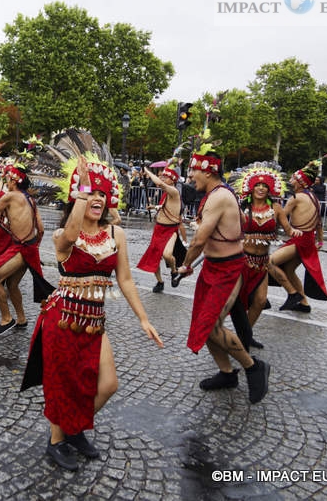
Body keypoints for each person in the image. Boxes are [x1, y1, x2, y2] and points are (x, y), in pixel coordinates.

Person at [21, 154, 163, 471]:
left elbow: (124, 279)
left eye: (101, 193)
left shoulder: (116, 235)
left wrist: (143, 318)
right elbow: (70, 236)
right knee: (64, 384)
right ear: (78, 197)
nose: (97, 198)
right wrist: (82, 192)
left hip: (95, 322)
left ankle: (73, 427)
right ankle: (57, 439)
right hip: (62, 318)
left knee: (108, 384)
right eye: (90, 193)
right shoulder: (62, 237)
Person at [175, 142, 270, 405]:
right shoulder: (218, 194)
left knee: (213, 328)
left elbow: (198, 240)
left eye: (194, 171)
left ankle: (253, 367)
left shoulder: (218, 197)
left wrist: (185, 266)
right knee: (204, 326)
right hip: (213, 268)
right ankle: (227, 373)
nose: (190, 177)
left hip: (228, 270)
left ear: (209, 172)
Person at [0, 159, 54, 336]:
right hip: (30, 248)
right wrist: (34, 245)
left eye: (9, 179)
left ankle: (6, 319)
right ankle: (21, 319)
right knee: (12, 284)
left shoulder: (10, 196)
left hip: (21, 248)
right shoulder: (31, 200)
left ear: (14, 181)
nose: (7, 182)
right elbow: (40, 229)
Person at [230, 162, 299, 348]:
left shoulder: (276, 208)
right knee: (236, 301)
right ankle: (221, 333)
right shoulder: (242, 207)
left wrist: (296, 232)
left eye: (265, 186)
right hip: (242, 261)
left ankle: (245, 335)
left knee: (260, 302)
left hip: (262, 263)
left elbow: (288, 229)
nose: (261, 189)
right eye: (258, 185)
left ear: (270, 189)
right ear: (251, 188)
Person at [269, 159, 327, 313]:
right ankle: (303, 303)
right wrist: (320, 242)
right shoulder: (314, 197)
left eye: (293, 179)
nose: (290, 181)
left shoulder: (295, 198)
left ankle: (293, 294)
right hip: (308, 239)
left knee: (269, 262)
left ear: (301, 183)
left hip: (300, 240)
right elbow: (319, 223)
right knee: (289, 270)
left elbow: (280, 217)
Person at [136, 162, 187, 292]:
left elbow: (159, 184)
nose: (163, 179)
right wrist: (154, 207)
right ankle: (160, 282)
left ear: (173, 180)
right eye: (163, 177)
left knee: (167, 254)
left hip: (170, 230)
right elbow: (164, 206)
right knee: (154, 259)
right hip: (159, 229)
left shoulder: (174, 191)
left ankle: (174, 271)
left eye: (166, 177)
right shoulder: (166, 195)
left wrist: (147, 171)